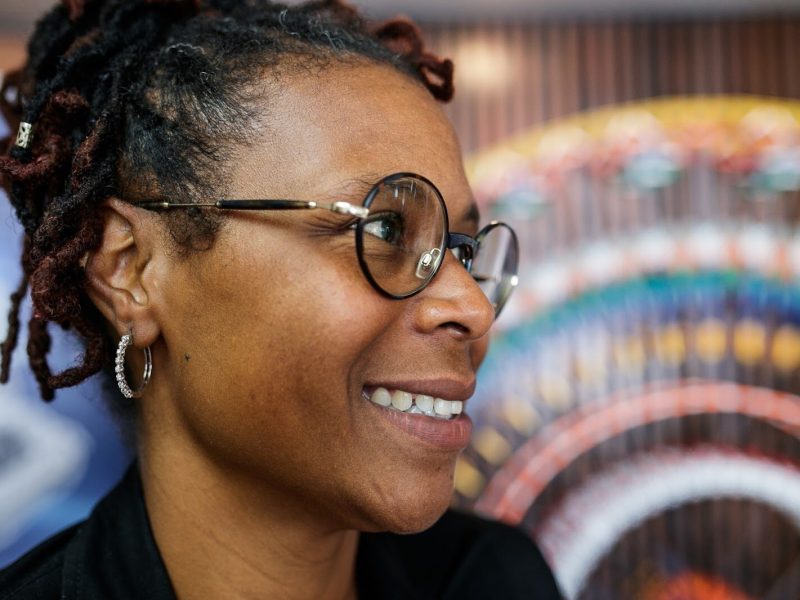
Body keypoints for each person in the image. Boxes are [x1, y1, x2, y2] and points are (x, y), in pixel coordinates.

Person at [0, 0, 563, 598]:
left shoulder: (495, 578)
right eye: (384, 230)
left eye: (464, 251)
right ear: (131, 270)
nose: (473, 309)